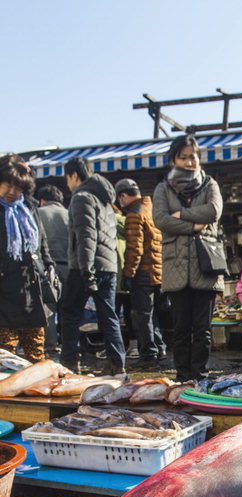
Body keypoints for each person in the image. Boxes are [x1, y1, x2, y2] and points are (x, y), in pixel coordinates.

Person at [152, 135, 224, 381]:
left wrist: (181, 214)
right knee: (181, 329)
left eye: (192, 156)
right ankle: (183, 378)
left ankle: (200, 377)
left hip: (205, 264)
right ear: (174, 160)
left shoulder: (209, 184)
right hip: (176, 266)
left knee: (203, 330)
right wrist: (193, 226)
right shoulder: (163, 188)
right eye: (183, 157)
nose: (189, 161)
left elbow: (214, 211)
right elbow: (161, 219)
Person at [60, 157, 126, 374]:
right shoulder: (106, 201)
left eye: (67, 178)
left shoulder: (81, 197)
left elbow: (86, 236)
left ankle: (70, 363)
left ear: (74, 176)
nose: (67, 184)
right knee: (108, 315)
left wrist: (86, 270)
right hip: (108, 265)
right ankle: (117, 365)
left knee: (69, 312)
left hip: (85, 265)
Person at [0, 154, 54, 362]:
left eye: (19, 187)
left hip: (30, 284)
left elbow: (42, 240)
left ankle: (36, 390)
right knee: (5, 353)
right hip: (4, 288)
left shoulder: (29, 206)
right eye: (8, 185)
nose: (13, 192)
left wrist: (48, 264)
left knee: (36, 352)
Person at [115, 178, 166, 370]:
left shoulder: (135, 214)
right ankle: (160, 349)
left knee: (141, 316)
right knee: (153, 315)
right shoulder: (153, 209)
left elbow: (134, 249)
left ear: (123, 196)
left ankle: (148, 356)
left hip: (143, 272)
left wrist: (128, 274)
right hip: (158, 271)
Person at [37, 184, 68, 355]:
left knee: (48, 307)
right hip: (70, 266)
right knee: (69, 309)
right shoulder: (69, 213)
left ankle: (51, 346)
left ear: (42, 200)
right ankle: (70, 345)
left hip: (48, 268)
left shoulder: (39, 213)